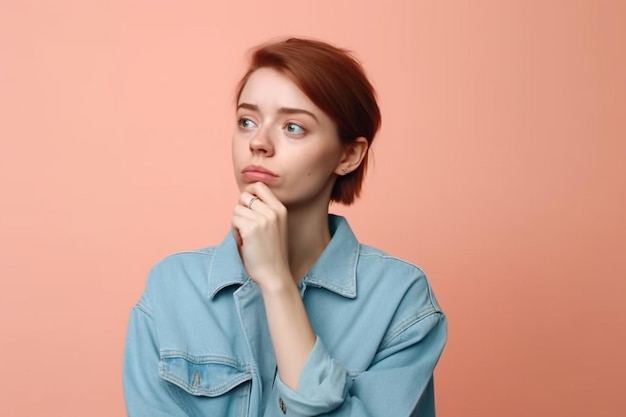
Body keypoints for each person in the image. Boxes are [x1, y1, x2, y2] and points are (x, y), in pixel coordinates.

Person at [123, 37, 447, 416]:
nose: (258, 142)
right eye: (247, 121)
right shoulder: (172, 289)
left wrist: (277, 284)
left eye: (293, 127)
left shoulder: (400, 301)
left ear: (348, 155)